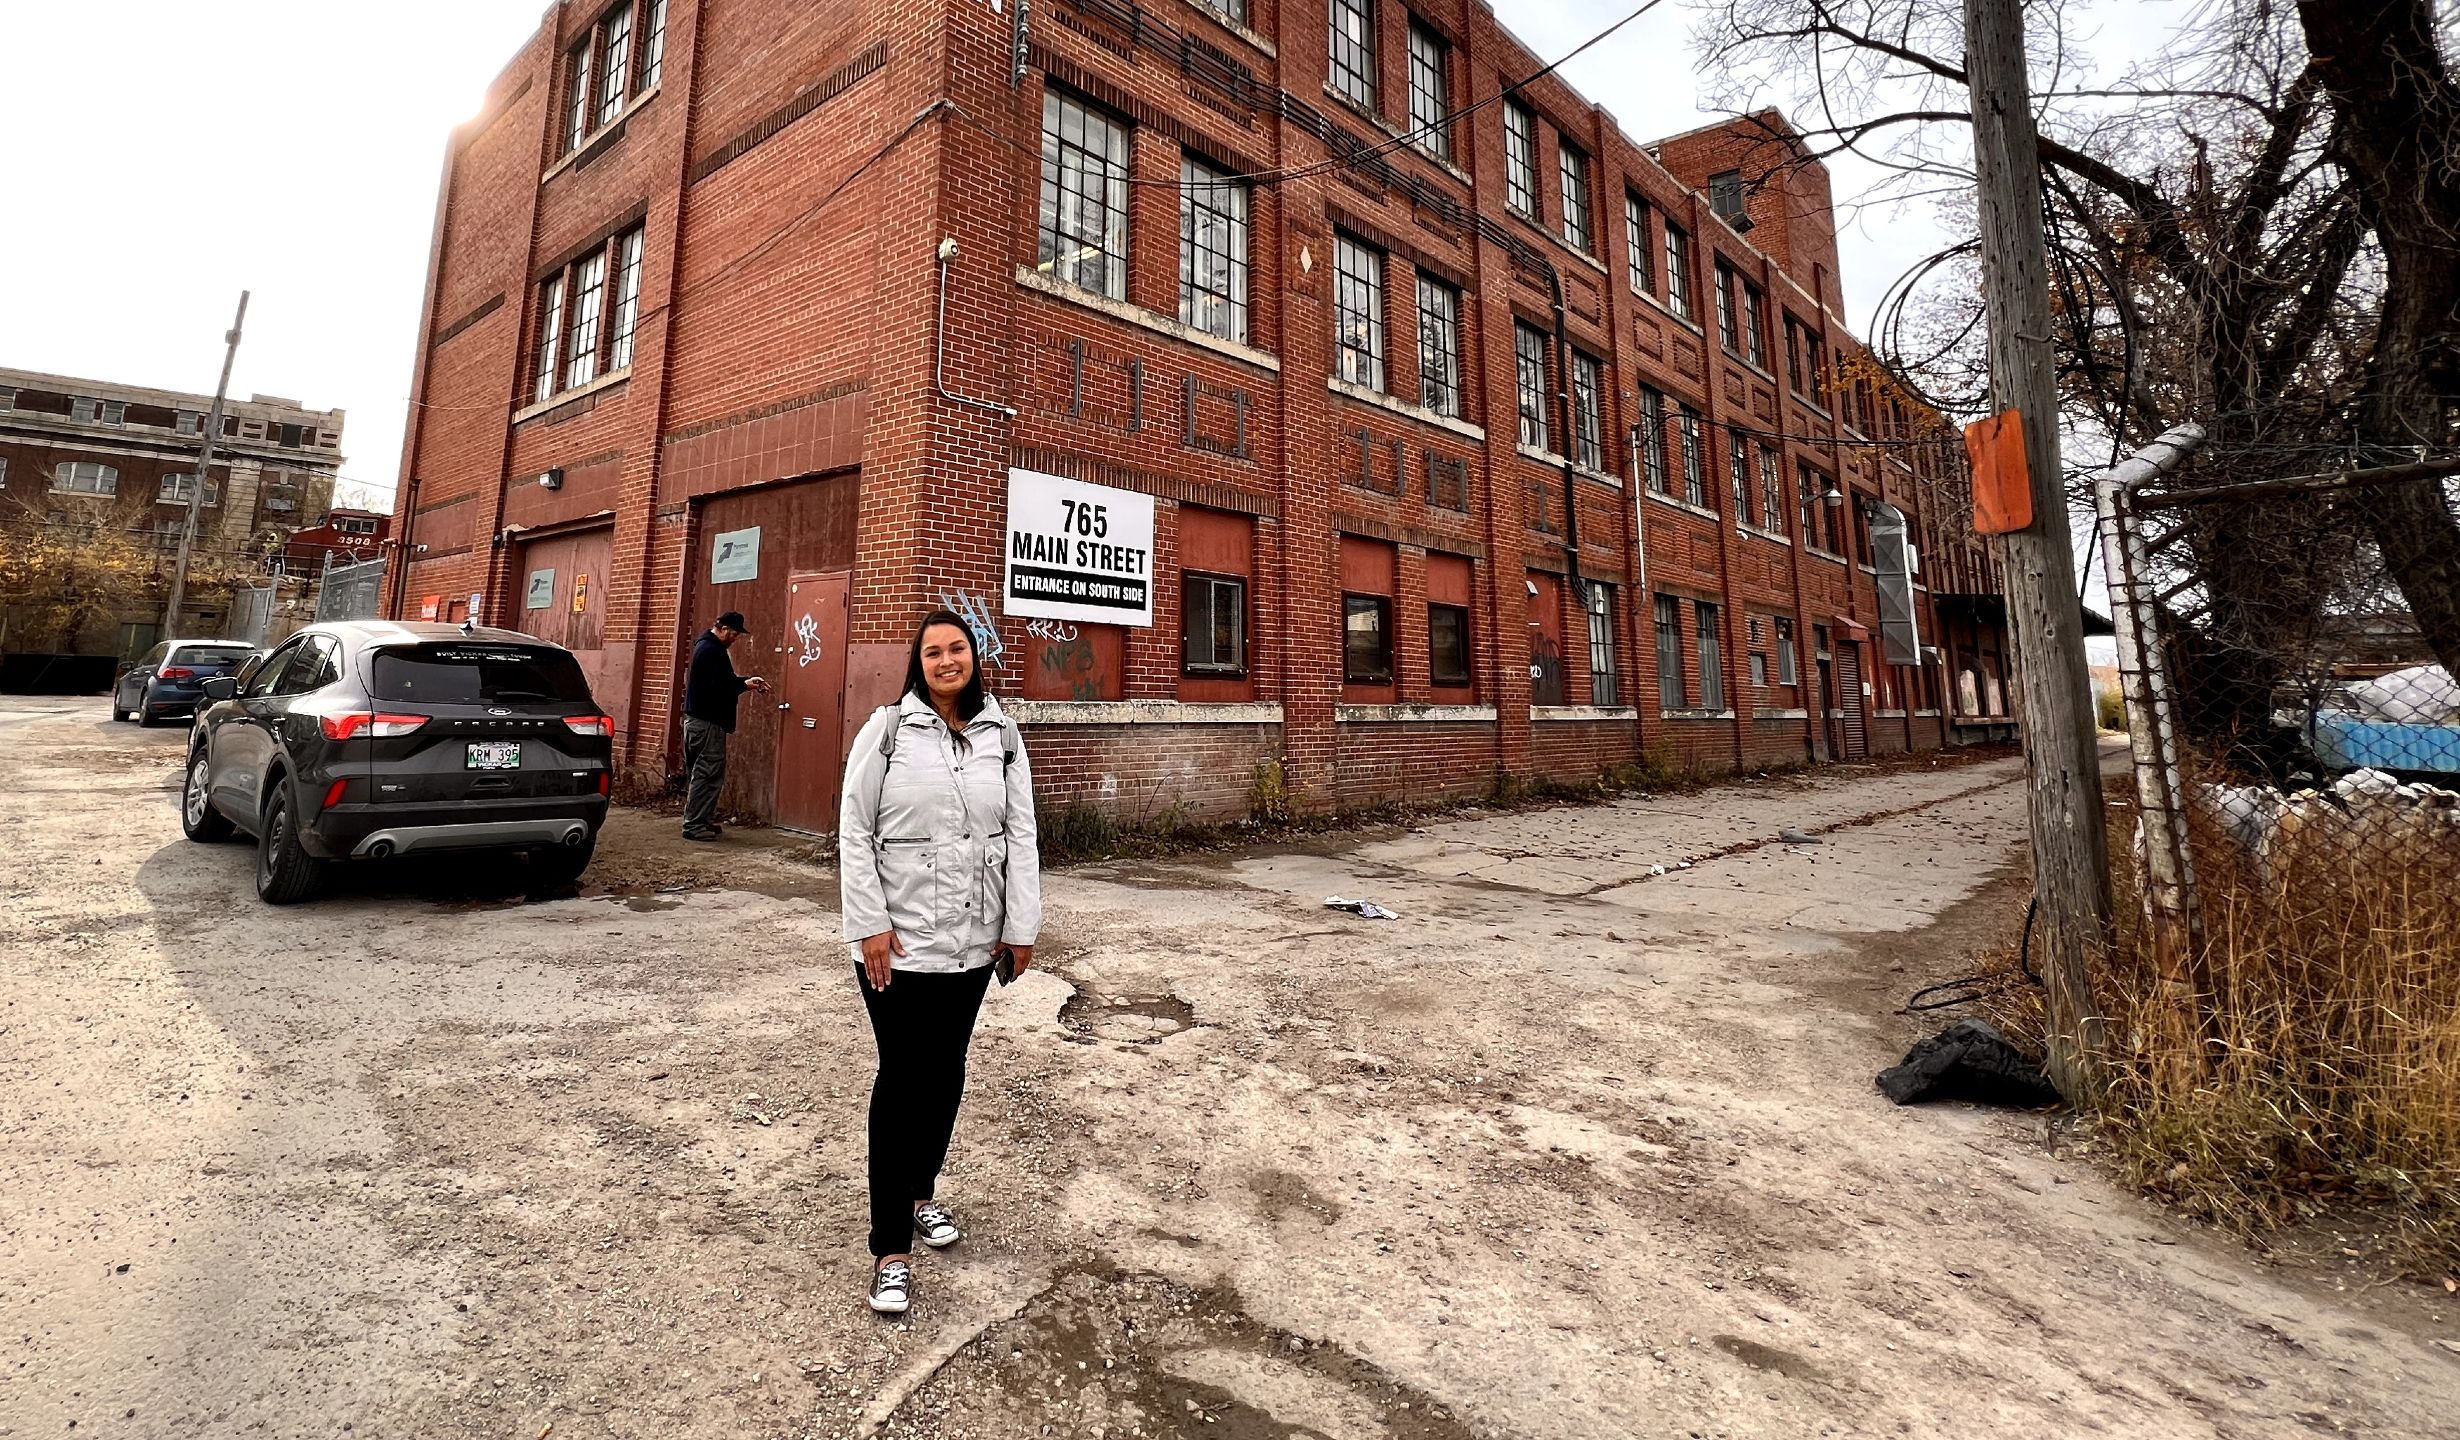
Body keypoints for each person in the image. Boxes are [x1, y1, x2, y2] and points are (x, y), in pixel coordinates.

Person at [838, 610, 1041, 1315]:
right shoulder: (888, 730)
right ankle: (890, 1248)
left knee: (946, 1072)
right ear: (917, 662)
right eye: (933, 651)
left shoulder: (1001, 734)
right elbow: (855, 828)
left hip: (973, 946)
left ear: (974, 657)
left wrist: (1020, 927)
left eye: (957, 648)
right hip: (900, 944)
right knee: (902, 1080)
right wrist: (868, 924)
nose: (947, 660)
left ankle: (920, 1193)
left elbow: (1021, 832)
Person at [681, 610, 768, 841]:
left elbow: (721, 683)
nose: (735, 639)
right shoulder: (711, 651)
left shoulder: (706, 647)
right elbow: (718, 687)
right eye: (735, 634)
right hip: (707, 723)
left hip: (700, 722)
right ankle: (695, 825)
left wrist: (744, 683)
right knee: (707, 773)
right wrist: (743, 685)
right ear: (725, 629)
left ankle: (701, 819)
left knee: (703, 772)